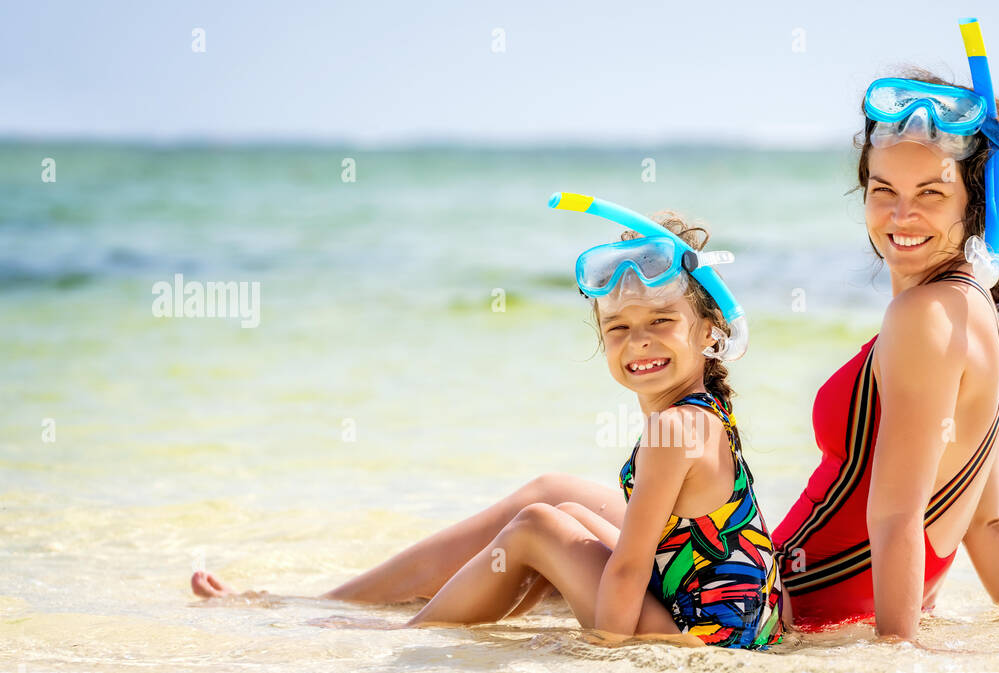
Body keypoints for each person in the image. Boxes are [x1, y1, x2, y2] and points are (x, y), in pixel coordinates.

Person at [194, 195, 784, 649]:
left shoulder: (670, 429)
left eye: (661, 321)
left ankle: (409, 635)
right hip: (748, 621)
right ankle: (370, 607)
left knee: (536, 528)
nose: (640, 343)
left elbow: (630, 568)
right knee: (566, 511)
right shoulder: (700, 410)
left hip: (709, 643)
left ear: (711, 333)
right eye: (619, 329)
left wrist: (606, 656)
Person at [773, 18, 999, 642]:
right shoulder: (978, 308)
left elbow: (896, 517)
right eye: (882, 190)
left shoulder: (923, 316)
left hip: (787, 597)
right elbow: (986, 522)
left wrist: (896, 659)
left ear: (974, 201)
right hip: (804, 581)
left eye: (930, 193)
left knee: (546, 522)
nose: (900, 215)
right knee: (557, 501)